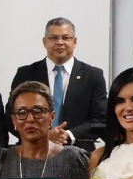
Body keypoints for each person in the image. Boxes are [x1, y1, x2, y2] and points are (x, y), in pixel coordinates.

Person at [9, 18, 107, 147]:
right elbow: (10, 116)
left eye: (65, 38)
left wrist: (69, 135)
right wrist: (43, 135)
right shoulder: (26, 74)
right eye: (53, 38)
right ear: (44, 42)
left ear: (75, 41)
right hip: (32, 150)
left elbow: (100, 120)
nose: (59, 42)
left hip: (78, 151)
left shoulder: (93, 75)